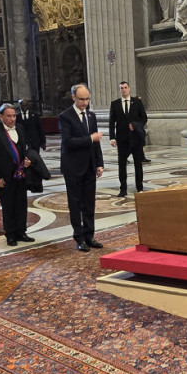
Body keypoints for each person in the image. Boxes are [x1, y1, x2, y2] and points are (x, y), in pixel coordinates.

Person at [59, 84, 104, 252]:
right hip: (73, 167)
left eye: (87, 99)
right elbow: (68, 142)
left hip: (90, 166)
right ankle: (79, 238)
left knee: (89, 203)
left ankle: (89, 236)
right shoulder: (65, 116)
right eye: (81, 99)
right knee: (75, 204)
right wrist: (90, 139)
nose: (85, 102)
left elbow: (96, 144)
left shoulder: (91, 116)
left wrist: (99, 163)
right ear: (73, 98)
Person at [0, 103, 35, 247]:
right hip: (4, 176)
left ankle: (22, 232)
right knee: (8, 206)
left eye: (14, 116)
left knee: (21, 204)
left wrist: (28, 160)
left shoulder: (20, 128)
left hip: (21, 174)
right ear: (1, 117)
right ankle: (11, 234)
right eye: (9, 116)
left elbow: (27, 148)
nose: (12, 119)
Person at [109, 81, 147, 197]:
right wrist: (112, 137)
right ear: (119, 90)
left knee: (138, 163)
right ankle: (123, 188)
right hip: (122, 139)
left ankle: (139, 187)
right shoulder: (115, 104)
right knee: (122, 164)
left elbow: (144, 118)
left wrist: (136, 125)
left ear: (129, 88)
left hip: (135, 138)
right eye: (121, 88)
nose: (124, 90)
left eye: (125, 87)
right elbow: (111, 122)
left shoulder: (137, 102)